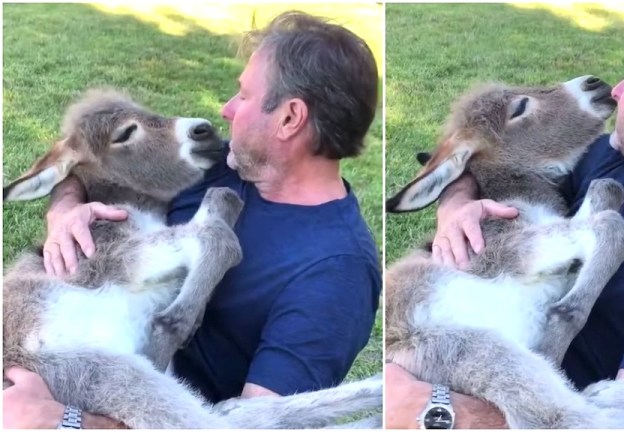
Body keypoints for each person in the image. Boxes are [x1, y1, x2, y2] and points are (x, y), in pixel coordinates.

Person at [385, 4, 624, 428]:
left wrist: (433, 408)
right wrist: (456, 206)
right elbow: (492, 163)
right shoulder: (616, 159)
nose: (618, 89)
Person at [4, 11, 382, 429]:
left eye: (243, 96)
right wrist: (65, 210)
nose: (225, 109)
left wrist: (62, 420)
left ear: (290, 118)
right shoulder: (225, 163)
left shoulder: (335, 273)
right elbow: (94, 161)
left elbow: (257, 422)